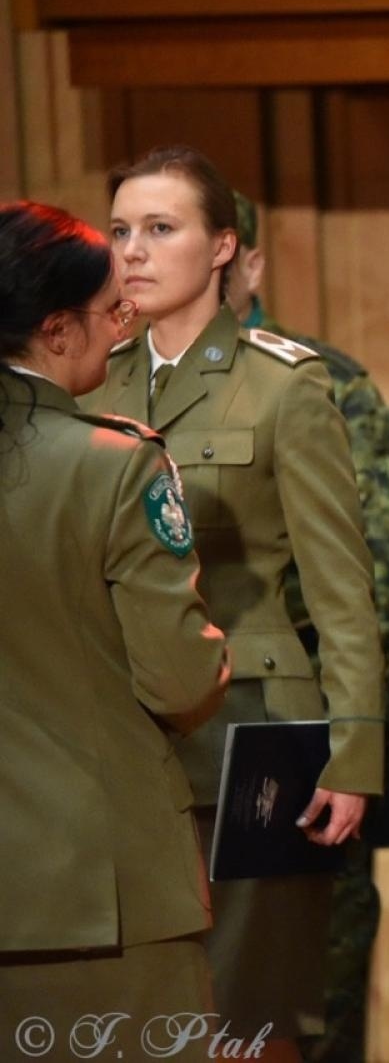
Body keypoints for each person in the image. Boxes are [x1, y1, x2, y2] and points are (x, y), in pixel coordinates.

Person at [83, 145, 385, 1062]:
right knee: (145, 1016)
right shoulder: (92, 378)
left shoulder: (285, 385)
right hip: (123, 741)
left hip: (257, 733)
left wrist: (355, 752)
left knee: (253, 1019)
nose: (133, 251)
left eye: (161, 229)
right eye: (122, 230)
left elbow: (342, 591)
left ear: (223, 248)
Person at [0, 201, 230, 1059]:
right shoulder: (111, 460)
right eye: (113, 313)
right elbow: (178, 679)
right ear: (58, 330)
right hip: (101, 892)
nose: (120, 329)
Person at [227, 189, 389, 1060]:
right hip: (167, 724)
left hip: (293, 722)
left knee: (309, 991)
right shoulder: (108, 374)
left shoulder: (316, 380)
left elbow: (367, 578)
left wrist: (348, 737)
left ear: (248, 261)